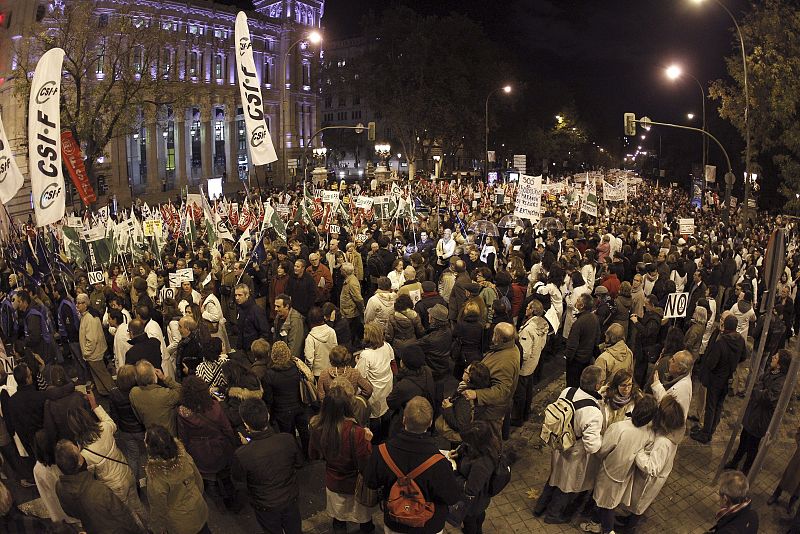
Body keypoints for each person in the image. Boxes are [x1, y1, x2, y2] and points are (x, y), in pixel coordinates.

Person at [364, 396, 461, 534]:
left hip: (395, 522)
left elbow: (370, 482)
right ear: (430, 423)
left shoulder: (381, 452)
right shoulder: (439, 463)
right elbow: (452, 497)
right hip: (429, 525)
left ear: (404, 420)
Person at [534, 365, 603, 524]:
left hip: (558, 444)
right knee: (567, 485)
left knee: (554, 477)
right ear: (597, 385)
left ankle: (540, 506)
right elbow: (592, 446)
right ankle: (553, 515)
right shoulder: (593, 412)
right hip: (574, 452)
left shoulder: (568, 391)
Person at [580, 395, 657, 534]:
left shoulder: (619, 427)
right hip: (625, 474)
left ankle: (607, 530)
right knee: (608, 502)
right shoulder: (649, 434)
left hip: (609, 473)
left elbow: (602, 450)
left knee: (606, 506)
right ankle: (595, 523)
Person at [309, 380, 376, 534]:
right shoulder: (357, 432)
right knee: (364, 520)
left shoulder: (317, 428)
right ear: (347, 406)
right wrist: (367, 442)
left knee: (338, 520)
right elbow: (365, 463)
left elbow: (313, 455)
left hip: (333, 482)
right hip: (355, 484)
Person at [67, 397, 147, 524]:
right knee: (137, 504)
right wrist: (95, 406)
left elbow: (90, 475)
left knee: (128, 515)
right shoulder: (104, 428)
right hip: (126, 472)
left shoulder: (85, 454)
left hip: (113, 486)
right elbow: (111, 423)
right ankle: (149, 526)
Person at [234, 398, 304, 534]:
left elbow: (241, 484)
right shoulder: (287, 439)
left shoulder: (242, 454)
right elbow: (299, 463)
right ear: (267, 415)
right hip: (290, 498)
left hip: (265, 505)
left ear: (246, 424)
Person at [621, 395, 686, 532]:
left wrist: (638, 452)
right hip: (649, 477)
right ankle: (628, 521)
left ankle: (629, 528)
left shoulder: (664, 442)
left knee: (639, 505)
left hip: (648, 480)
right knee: (636, 506)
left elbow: (652, 467)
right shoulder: (671, 431)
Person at [54, 439, 147, 534]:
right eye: (78, 452)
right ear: (79, 463)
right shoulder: (99, 490)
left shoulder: (59, 487)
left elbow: (70, 512)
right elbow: (123, 515)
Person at [177, 375, 238, 509]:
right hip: (219, 447)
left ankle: (217, 500)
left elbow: (184, 437)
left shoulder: (182, 412)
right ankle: (232, 502)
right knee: (226, 476)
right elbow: (227, 429)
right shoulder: (215, 406)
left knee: (209, 479)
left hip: (198, 450)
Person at [725, 349, 790, 474]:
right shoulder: (770, 371)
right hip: (753, 414)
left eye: (775, 357)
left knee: (752, 447)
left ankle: (745, 471)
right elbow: (758, 384)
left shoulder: (781, 382)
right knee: (743, 440)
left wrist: (760, 390)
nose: (772, 357)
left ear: (780, 364)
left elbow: (767, 398)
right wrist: (761, 389)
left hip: (760, 419)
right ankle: (735, 462)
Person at [144, 424, 210, 534]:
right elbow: (199, 482)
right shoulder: (184, 456)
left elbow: (158, 507)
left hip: (180, 523)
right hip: (199, 509)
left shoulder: (156, 476)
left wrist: (156, 528)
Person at [691, 314, 745, 443]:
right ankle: (711, 430)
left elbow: (711, 363)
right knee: (719, 406)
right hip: (727, 379)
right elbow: (743, 357)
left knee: (710, 406)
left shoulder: (722, 342)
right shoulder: (741, 340)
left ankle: (705, 434)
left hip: (716, 379)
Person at [463, 323, 520, 439]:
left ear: (498, 337)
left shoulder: (505, 361)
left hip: (491, 412)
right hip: (492, 409)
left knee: (489, 439)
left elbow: (502, 391)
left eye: (494, 333)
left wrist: (477, 394)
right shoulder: (510, 347)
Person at [451, 420, 501, 534]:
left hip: (474, 502)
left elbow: (470, 489)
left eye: (467, 442)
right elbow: (467, 449)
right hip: (481, 501)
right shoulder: (488, 443)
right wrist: (459, 453)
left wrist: (453, 472)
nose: (465, 443)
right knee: (479, 515)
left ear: (475, 443)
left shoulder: (482, 463)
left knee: (470, 522)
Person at [262, 341, 310, 457]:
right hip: (300, 405)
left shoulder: (269, 374)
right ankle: (308, 454)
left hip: (282, 411)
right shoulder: (296, 368)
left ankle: (295, 456)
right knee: (304, 432)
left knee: (289, 435)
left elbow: (269, 398)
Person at [31, 430, 81, 528]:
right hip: (71, 499)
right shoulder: (61, 459)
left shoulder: (38, 469)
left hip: (56, 503)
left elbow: (44, 492)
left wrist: (54, 514)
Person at [109, 364, 147, 489]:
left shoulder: (114, 393)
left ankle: (135, 483)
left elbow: (114, 415)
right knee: (149, 454)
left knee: (132, 457)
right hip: (142, 429)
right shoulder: (139, 391)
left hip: (126, 430)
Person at [512, 299, 548, 426]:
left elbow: (524, 352)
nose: (525, 309)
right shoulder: (542, 324)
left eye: (528, 307)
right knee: (528, 390)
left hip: (525, 366)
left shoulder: (528, 330)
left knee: (520, 393)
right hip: (534, 362)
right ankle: (526, 413)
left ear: (532, 310)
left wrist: (517, 364)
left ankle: (518, 418)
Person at [355, 323, 394, 442]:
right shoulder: (387, 346)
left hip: (375, 390)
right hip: (387, 385)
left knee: (374, 416)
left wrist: (357, 361)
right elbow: (391, 361)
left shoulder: (366, 355)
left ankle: (376, 441)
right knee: (386, 410)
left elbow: (360, 375)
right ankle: (386, 435)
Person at [386, 344, 435, 436]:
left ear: (403, 363)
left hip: (410, 420)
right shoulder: (427, 370)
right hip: (426, 414)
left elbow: (390, 403)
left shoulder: (403, 386)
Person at [437, 362, 491, 444]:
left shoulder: (465, 400)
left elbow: (460, 426)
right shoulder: (481, 391)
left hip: (461, 439)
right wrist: (458, 392)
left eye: (466, 371)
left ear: (469, 379)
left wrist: (447, 408)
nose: (464, 370)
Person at [129, 360, 182, 436]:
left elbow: (139, 418)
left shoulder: (133, 393)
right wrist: (164, 378)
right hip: (169, 437)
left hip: (150, 436)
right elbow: (181, 391)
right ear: (155, 377)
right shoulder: (165, 394)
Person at [417, 304, 453, 411]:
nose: (428, 316)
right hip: (443, 368)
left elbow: (414, 346)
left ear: (433, 319)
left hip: (433, 370)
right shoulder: (447, 330)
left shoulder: (431, 339)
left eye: (430, 314)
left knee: (431, 399)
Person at [43, 364, 90, 443]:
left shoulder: (49, 405)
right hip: (85, 439)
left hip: (67, 443)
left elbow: (51, 431)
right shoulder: (79, 396)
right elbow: (89, 418)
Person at [77, 293, 114, 395]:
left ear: (85, 304)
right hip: (93, 353)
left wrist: (86, 352)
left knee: (103, 375)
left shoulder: (89, 317)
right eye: (77, 303)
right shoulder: (87, 315)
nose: (77, 305)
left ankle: (114, 392)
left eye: (80, 303)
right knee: (97, 375)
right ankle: (104, 391)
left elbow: (92, 339)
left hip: (94, 353)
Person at [6, 363, 46, 458]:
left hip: (30, 444)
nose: (32, 374)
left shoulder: (12, 402)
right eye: (30, 374)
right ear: (27, 379)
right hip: (45, 438)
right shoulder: (40, 396)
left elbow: (17, 427)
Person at [565, 293, 601, 388]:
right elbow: (597, 338)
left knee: (572, 384)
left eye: (578, 301)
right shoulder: (595, 318)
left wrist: (568, 358)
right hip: (587, 358)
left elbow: (572, 345)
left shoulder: (579, 323)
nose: (576, 302)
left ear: (582, 306)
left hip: (576, 361)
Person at [652, 350, 693, 423]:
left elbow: (667, 406)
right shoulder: (680, 376)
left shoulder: (681, 389)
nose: (669, 361)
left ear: (679, 369)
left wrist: (657, 385)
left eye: (673, 360)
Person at [305, 306, 338, 381]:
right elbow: (335, 351)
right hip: (331, 371)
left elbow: (309, 359)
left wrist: (309, 374)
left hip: (318, 374)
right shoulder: (332, 331)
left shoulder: (310, 338)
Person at [235, 284, 269, 352]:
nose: (237, 298)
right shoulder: (240, 309)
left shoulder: (256, 311)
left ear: (247, 295)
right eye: (235, 295)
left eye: (240, 295)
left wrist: (257, 350)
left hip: (253, 352)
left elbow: (265, 333)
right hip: (242, 351)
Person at [274, 293, 305, 359]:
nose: (275, 309)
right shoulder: (278, 317)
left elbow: (294, 348)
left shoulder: (296, 320)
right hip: (280, 358)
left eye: (278, 306)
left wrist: (286, 363)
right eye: (275, 306)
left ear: (287, 306)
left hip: (289, 362)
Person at [340, 262, 365, 342]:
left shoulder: (352, 283)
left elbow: (358, 299)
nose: (340, 270)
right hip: (348, 310)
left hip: (350, 312)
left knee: (350, 332)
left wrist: (362, 310)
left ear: (344, 271)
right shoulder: (349, 280)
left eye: (341, 269)